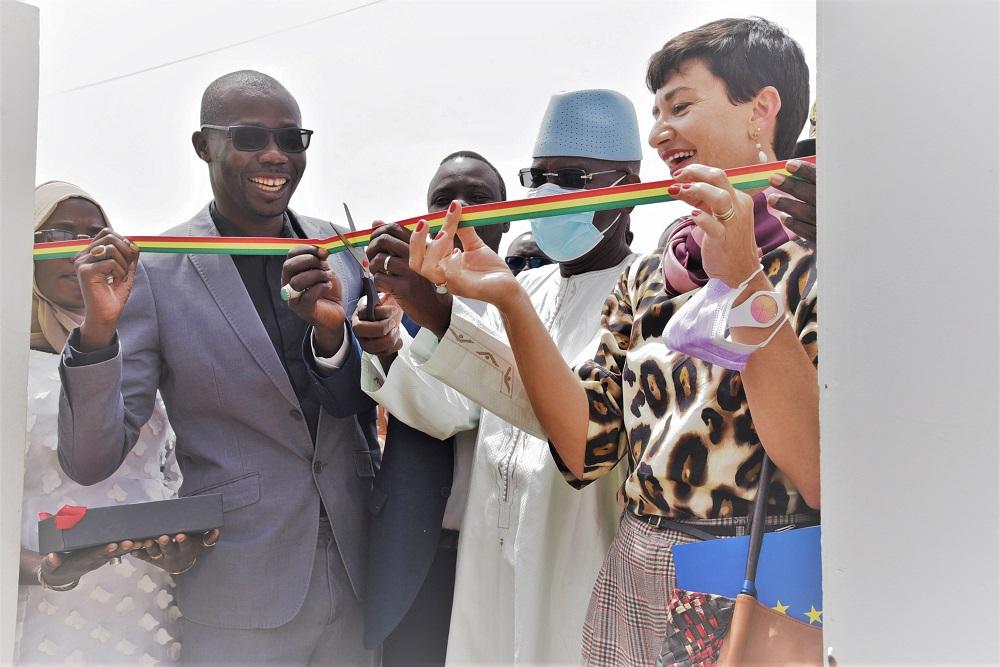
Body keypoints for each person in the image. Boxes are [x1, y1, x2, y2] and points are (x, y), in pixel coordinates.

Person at [409, 18, 819, 665]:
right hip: (637, 571)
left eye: (681, 105)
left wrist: (744, 279)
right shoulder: (655, 274)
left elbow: (822, 471)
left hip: (751, 575)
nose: (659, 132)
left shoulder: (819, 257)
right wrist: (509, 299)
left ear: (760, 111)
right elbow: (588, 445)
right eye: (656, 111)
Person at [56, 70, 378, 664]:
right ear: (204, 146)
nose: (275, 155)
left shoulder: (343, 250)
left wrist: (334, 334)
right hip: (241, 588)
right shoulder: (156, 270)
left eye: (291, 138)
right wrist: (98, 332)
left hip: (361, 573)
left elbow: (363, 402)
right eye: (250, 138)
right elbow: (91, 458)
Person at [368, 89, 642, 664]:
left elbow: (586, 429)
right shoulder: (521, 290)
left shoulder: (646, 293)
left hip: (577, 546)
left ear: (627, 184)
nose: (547, 194)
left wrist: (439, 315)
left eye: (570, 177)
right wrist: (396, 338)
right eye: (537, 176)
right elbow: (455, 407)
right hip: (490, 550)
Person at [353, 151, 509, 666]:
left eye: (477, 199)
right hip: (419, 550)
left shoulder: (532, 307)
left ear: (506, 217)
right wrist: (383, 342)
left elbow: (462, 411)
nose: (458, 210)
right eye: (443, 200)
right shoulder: (401, 308)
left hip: (502, 555)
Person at [16, 182, 181, 665]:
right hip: (42, 610)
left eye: (95, 233)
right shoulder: (9, 365)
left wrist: (183, 545)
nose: (79, 247)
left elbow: (168, 479)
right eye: (57, 233)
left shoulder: (137, 356)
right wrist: (46, 570)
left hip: (149, 605)